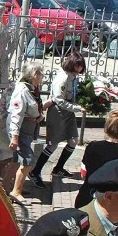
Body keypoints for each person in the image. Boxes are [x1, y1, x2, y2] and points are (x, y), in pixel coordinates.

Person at [28, 50, 87, 187]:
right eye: (77, 66)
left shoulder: (72, 76)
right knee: (52, 144)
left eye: (81, 66)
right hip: (58, 112)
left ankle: (58, 168)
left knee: (73, 141)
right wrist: (77, 108)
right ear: (71, 64)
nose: (79, 69)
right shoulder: (62, 78)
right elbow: (59, 100)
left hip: (68, 111)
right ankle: (35, 172)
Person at [74, 104, 118, 208]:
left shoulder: (92, 146)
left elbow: (83, 173)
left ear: (106, 128)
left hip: (86, 200)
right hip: (110, 207)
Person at [6, 64, 48, 203]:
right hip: (21, 127)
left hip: (28, 126)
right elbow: (16, 115)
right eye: (40, 73)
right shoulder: (23, 90)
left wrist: (38, 116)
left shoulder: (32, 89)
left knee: (18, 160)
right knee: (27, 160)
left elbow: (33, 107)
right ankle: (15, 192)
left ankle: (5, 187)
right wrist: (14, 137)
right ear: (34, 74)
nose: (42, 76)